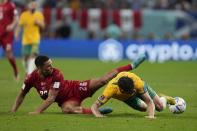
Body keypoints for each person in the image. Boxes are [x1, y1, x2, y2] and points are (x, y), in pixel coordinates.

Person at [11, 54, 147, 115]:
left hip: (76, 88)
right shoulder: (30, 78)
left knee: (103, 80)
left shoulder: (57, 74)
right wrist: (13, 111)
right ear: (39, 68)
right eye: (48, 67)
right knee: (67, 110)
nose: (51, 68)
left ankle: (132, 65)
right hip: (67, 101)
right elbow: (22, 94)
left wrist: (37, 111)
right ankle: (97, 111)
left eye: (51, 64)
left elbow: (51, 98)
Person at [91, 71, 176, 119]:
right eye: (129, 91)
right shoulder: (110, 90)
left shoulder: (137, 83)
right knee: (144, 108)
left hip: (141, 89)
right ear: (121, 90)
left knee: (160, 107)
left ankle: (164, 99)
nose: (132, 92)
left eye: (132, 90)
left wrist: (151, 116)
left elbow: (149, 101)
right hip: (128, 99)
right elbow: (94, 106)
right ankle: (159, 100)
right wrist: (98, 115)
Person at [15, 0, 45, 75]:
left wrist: (40, 23)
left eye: (34, 5)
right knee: (25, 58)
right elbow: (19, 26)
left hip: (35, 38)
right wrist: (16, 34)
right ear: (28, 6)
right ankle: (27, 70)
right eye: (31, 5)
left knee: (33, 55)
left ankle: (29, 73)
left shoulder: (39, 15)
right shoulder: (24, 15)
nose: (33, 6)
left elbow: (43, 27)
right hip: (26, 39)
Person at [0, 0, 19, 80]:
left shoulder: (10, 5)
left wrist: (12, 25)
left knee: (8, 53)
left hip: (7, 33)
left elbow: (16, 18)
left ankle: (15, 70)